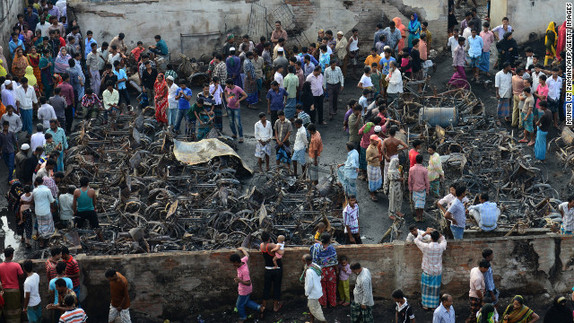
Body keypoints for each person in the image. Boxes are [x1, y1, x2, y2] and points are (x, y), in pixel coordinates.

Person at [414, 228, 447, 310]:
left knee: (426, 289)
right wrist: (438, 233)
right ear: (437, 237)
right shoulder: (441, 247)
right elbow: (444, 240)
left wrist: (425, 232)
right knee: (435, 290)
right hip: (437, 271)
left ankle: (425, 305)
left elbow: (416, 240)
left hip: (427, 271)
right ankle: (434, 306)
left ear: (431, 237)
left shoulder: (426, 247)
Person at [310, 232, 338, 308]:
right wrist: (337, 270)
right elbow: (334, 261)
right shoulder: (331, 249)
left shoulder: (315, 247)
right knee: (331, 287)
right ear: (329, 240)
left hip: (319, 271)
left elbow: (312, 257)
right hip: (330, 271)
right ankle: (332, 303)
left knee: (321, 288)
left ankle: (323, 304)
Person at [73, 176, 103, 241]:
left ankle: (76, 241)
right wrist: (94, 208)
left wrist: (74, 212)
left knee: (77, 228)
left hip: (80, 212)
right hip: (90, 211)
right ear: (88, 183)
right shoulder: (92, 191)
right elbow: (94, 202)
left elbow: (74, 204)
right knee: (96, 227)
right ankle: (102, 240)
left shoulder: (76, 191)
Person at [259, 231, 282, 313]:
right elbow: (280, 252)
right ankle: (275, 307)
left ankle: (263, 306)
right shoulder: (271, 245)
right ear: (269, 238)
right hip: (276, 270)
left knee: (266, 288)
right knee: (276, 288)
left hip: (267, 269)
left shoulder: (261, 245)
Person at [0, 247, 24, 323]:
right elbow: (21, 275)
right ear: (11, 255)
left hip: (5, 291)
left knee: (6, 308)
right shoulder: (16, 265)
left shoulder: (0, 266)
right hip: (15, 290)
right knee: (16, 308)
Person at [302, 254, 326, 323]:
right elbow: (321, 276)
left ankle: (323, 321)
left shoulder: (309, 271)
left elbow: (310, 284)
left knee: (314, 309)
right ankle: (311, 321)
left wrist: (307, 292)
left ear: (305, 261)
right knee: (312, 307)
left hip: (312, 293)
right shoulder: (316, 266)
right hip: (318, 289)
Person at [33, 176, 55, 247]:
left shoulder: (34, 191)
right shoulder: (47, 190)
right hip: (46, 211)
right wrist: (52, 208)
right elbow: (52, 201)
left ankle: (41, 242)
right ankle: (47, 241)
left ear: (36, 182)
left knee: (41, 226)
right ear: (43, 182)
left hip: (38, 211)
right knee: (48, 226)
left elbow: (34, 200)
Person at [409, 154, 429, 222]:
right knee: (422, 204)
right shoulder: (424, 170)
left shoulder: (411, 169)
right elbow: (427, 181)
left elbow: (410, 180)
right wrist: (427, 190)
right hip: (422, 189)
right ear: (422, 161)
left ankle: (417, 217)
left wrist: (410, 189)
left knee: (416, 204)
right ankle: (421, 216)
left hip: (415, 189)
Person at [366, 135, 382, 200]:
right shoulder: (369, 149)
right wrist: (375, 157)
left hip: (376, 165)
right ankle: (372, 194)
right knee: (372, 181)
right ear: (372, 141)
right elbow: (367, 159)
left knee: (376, 179)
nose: (377, 142)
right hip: (372, 166)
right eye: (376, 141)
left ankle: (374, 190)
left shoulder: (375, 146)